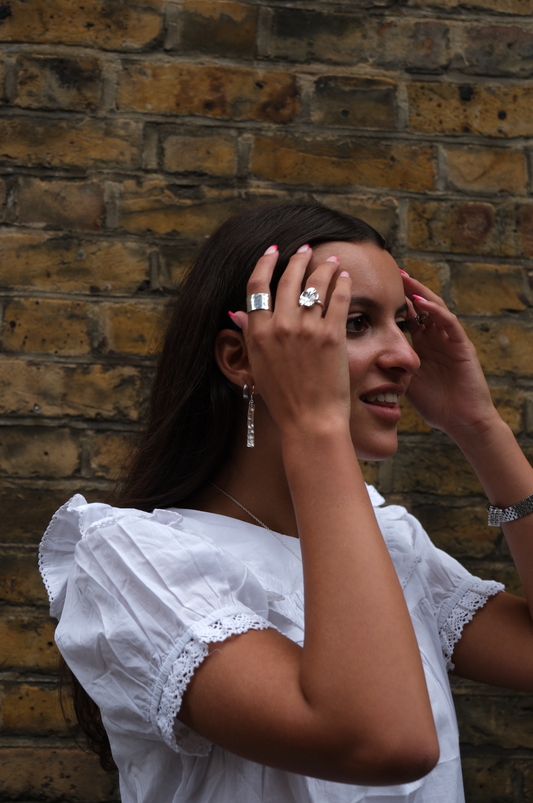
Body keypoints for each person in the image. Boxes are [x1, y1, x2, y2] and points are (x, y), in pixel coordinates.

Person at [39, 202, 533, 803]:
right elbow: (382, 743)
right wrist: (315, 424)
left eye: (402, 323)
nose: (406, 355)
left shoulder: (390, 540)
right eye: (354, 323)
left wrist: (481, 427)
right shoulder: (131, 560)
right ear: (241, 357)